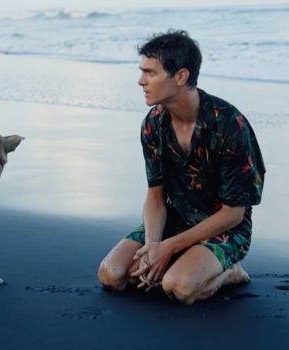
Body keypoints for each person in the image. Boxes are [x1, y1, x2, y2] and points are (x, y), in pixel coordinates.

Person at [97, 30, 265, 304]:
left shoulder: (229, 126)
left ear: (181, 76)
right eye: (142, 72)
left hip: (224, 229)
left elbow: (234, 215)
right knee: (112, 275)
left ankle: (231, 272)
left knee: (179, 287)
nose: (141, 81)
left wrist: (169, 247)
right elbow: (155, 197)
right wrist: (153, 246)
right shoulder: (153, 123)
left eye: (150, 73)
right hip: (175, 219)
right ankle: (176, 257)